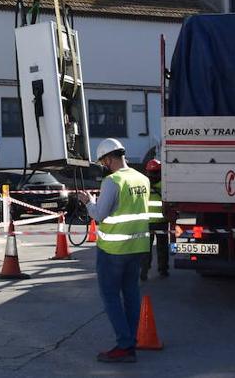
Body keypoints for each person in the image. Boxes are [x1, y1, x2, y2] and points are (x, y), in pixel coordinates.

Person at [78, 138, 151, 363]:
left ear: (109, 159)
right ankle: (130, 344)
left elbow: (99, 215)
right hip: (138, 247)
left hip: (113, 249)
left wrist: (89, 202)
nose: (104, 166)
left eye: (104, 162)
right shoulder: (142, 179)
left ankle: (125, 344)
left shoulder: (113, 181)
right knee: (131, 294)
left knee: (110, 296)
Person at [139, 158, 168, 281]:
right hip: (162, 222)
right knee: (162, 248)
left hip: (147, 223)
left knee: (146, 249)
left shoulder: (144, 185)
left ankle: (144, 271)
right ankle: (163, 270)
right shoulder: (164, 184)